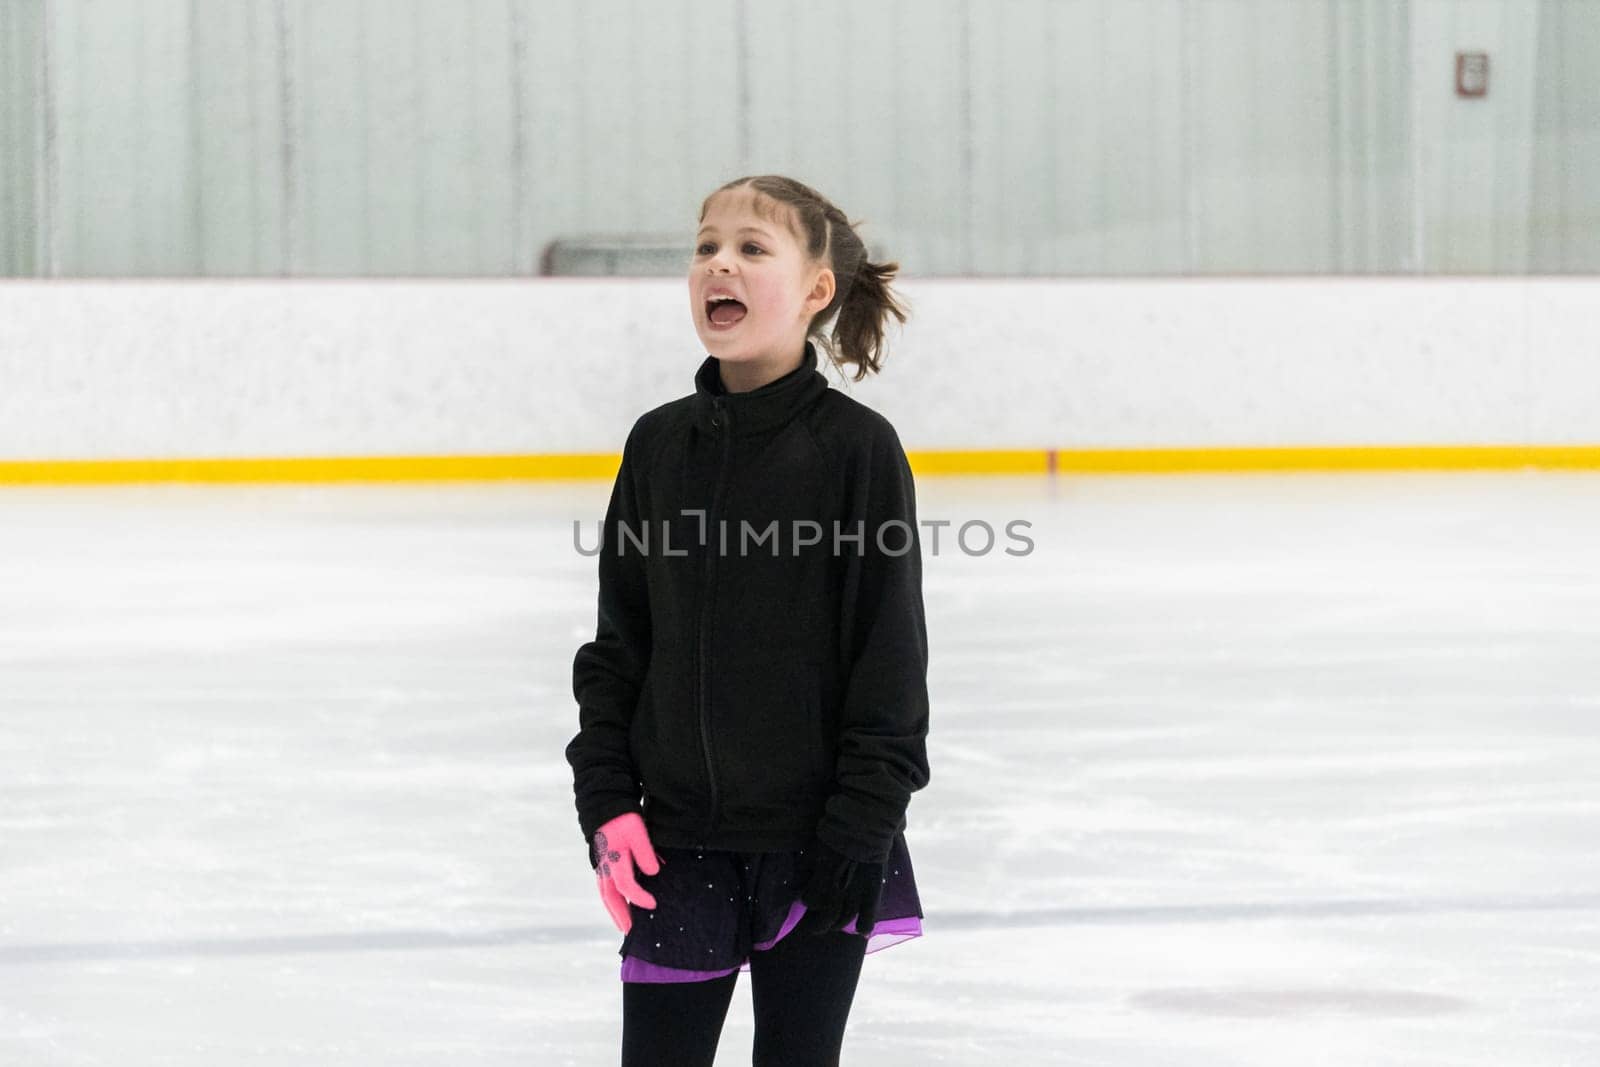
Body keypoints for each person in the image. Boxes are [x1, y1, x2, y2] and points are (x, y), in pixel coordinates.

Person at [565, 174, 931, 1067]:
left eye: (752, 248)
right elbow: (619, 647)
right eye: (705, 247)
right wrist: (607, 801)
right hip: (677, 844)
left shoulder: (856, 451)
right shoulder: (658, 444)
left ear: (817, 290)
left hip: (821, 847)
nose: (718, 264)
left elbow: (889, 662)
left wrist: (861, 827)